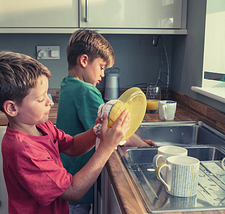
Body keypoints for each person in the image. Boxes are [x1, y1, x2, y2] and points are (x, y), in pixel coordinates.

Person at [0, 51, 131, 214]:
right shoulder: (24, 151)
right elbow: (73, 191)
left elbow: (72, 146)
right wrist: (107, 147)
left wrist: (96, 132)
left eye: (47, 94)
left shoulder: (41, 125)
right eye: (40, 99)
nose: (50, 102)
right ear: (11, 108)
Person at [57, 29, 157, 214]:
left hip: (66, 175)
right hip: (77, 185)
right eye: (102, 67)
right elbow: (116, 131)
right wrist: (143, 145)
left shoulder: (67, 84)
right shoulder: (86, 91)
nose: (102, 74)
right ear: (84, 60)